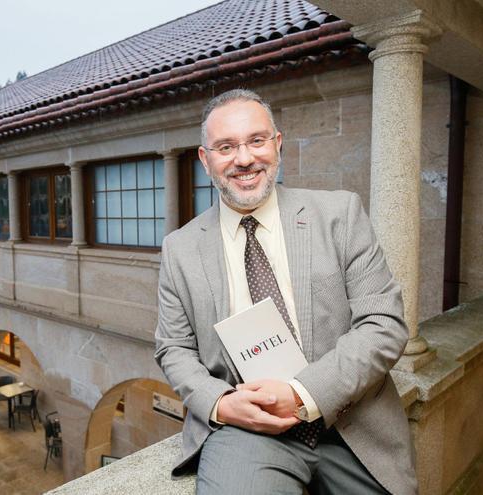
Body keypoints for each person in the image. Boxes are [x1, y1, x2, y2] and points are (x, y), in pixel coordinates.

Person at [154, 89, 416, 494]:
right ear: (206, 160)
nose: (244, 159)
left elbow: (384, 324)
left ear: (277, 145)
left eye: (256, 141)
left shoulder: (340, 215)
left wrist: (301, 393)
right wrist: (221, 403)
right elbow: (173, 348)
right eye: (226, 147)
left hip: (350, 419)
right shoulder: (180, 248)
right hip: (248, 430)